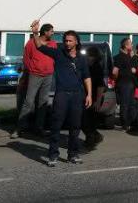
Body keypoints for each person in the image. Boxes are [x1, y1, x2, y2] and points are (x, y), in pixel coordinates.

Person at [29, 21, 92, 167]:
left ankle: (73, 155)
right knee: (56, 125)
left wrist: (89, 94)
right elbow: (39, 46)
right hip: (62, 94)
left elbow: (87, 77)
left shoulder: (82, 59)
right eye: (65, 40)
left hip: (77, 95)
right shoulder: (58, 53)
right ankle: (53, 155)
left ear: (76, 42)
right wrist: (35, 32)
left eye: (70, 40)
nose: (67, 43)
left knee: (75, 126)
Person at [11, 24, 56, 138]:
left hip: (48, 75)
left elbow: (54, 56)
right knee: (28, 102)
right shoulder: (31, 43)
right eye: (51, 31)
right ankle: (19, 128)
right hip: (34, 75)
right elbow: (26, 59)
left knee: (42, 103)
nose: (53, 33)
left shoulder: (52, 44)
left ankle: (39, 128)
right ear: (45, 32)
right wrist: (29, 71)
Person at [82, 46, 106, 149]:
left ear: (95, 57)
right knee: (83, 121)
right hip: (85, 97)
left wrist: (98, 101)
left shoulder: (97, 68)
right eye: (87, 55)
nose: (88, 57)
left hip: (96, 98)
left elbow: (101, 86)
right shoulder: (85, 67)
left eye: (90, 56)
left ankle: (90, 143)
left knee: (90, 122)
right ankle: (96, 136)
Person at [112, 38, 138, 132]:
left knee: (131, 104)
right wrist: (116, 80)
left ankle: (130, 124)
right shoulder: (119, 57)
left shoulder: (128, 56)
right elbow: (115, 71)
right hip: (124, 84)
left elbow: (133, 69)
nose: (132, 46)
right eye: (130, 44)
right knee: (125, 105)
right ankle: (125, 125)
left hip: (130, 83)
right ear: (126, 46)